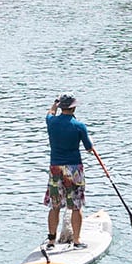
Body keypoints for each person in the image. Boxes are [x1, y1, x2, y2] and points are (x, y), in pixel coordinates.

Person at [43, 94, 94, 253]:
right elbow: (88, 148)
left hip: (56, 168)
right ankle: (77, 241)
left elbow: (49, 113)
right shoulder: (79, 126)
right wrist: (90, 143)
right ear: (73, 107)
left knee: (55, 205)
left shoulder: (51, 123)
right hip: (74, 169)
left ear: (61, 107)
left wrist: (54, 104)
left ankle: (51, 241)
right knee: (76, 206)